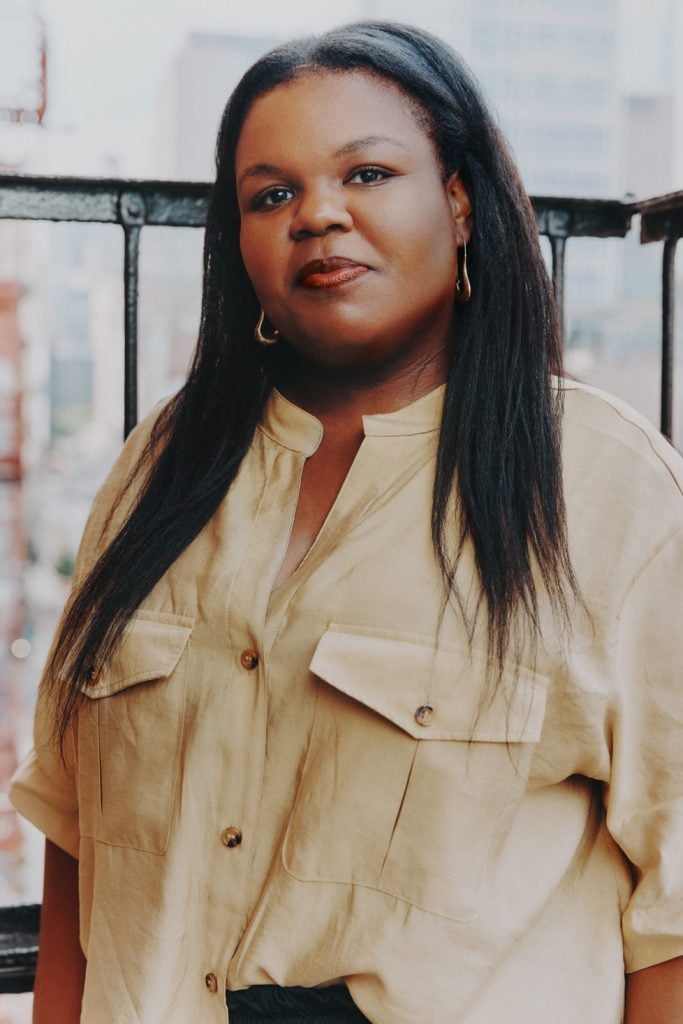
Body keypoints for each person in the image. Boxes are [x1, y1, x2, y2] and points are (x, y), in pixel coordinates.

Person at [9, 20, 683, 1024]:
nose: (317, 215)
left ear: (458, 202)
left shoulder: (599, 485)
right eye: (270, 194)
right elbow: (76, 844)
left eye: (365, 174)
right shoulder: (161, 469)